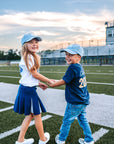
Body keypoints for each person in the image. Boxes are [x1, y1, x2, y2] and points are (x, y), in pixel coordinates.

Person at [48, 44, 94, 144]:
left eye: (71, 55)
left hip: (75, 101)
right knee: (82, 119)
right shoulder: (78, 67)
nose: (67, 57)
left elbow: (64, 81)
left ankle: (61, 139)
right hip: (83, 100)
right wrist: (55, 81)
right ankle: (89, 139)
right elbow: (68, 80)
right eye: (66, 54)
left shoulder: (72, 67)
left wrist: (53, 85)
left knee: (67, 121)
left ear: (79, 57)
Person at [14, 33, 53, 144]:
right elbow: (34, 74)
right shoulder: (29, 57)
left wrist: (38, 83)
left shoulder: (28, 57)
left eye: (36, 42)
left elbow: (29, 76)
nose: (34, 44)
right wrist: (48, 80)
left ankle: (21, 140)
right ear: (25, 45)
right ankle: (42, 139)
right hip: (28, 91)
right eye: (31, 42)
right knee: (37, 114)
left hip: (26, 88)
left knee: (30, 115)